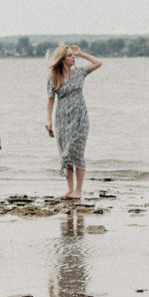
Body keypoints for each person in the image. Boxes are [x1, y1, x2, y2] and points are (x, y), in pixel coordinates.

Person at [44, 43, 103, 201]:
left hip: (80, 118)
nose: (73, 57)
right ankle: (70, 189)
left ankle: (78, 190)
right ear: (62, 59)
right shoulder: (53, 78)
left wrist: (81, 53)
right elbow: (50, 100)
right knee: (66, 154)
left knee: (78, 152)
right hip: (62, 119)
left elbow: (98, 62)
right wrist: (48, 119)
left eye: (73, 55)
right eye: (70, 55)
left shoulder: (80, 72)